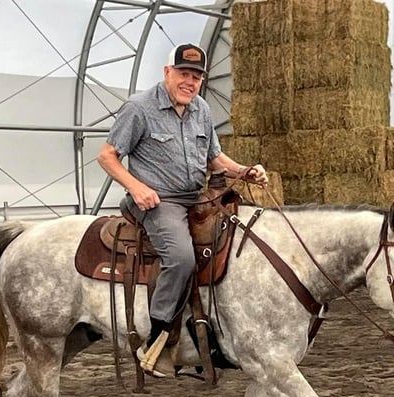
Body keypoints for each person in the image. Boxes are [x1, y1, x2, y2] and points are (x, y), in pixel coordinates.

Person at [97, 43, 269, 378]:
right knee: (182, 257)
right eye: (184, 74)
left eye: (196, 76)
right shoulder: (139, 108)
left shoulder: (201, 109)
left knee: (238, 241)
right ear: (168, 73)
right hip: (157, 202)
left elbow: (214, 159)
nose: (190, 82)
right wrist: (137, 187)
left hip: (196, 197)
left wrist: (244, 171)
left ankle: (214, 328)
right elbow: (107, 156)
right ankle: (159, 338)